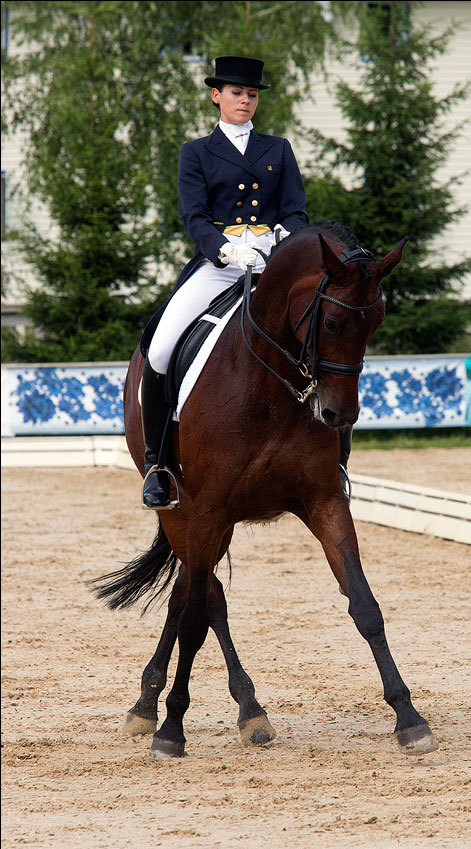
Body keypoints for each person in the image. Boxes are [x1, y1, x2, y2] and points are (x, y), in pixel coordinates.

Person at [140, 55, 308, 509]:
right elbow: (192, 215)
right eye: (237, 93)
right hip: (218, 265)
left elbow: (295, 209)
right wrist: (227, 249)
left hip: (272, 266)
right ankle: (158, 463)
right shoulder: (195, 152)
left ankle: (333, 459)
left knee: (322, 338)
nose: (246, 101)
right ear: (217, 96)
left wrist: (283, 238)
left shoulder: (278, 149)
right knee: (159, 349)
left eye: (252, 94)